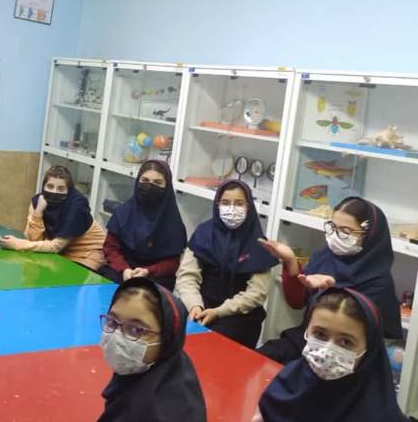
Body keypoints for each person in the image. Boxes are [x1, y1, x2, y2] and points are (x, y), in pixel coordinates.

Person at [257, 197, 402, 363]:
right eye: (332, 227)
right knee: (261, 357)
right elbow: (297, 302)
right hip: (310, 337)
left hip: (344, 353)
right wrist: (291, 262)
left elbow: (352, 333)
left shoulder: (378, 282)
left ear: (370, 236)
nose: (335, 236)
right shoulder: (326, 258)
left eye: (345, 231)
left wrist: (331, 293)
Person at [253, 287, 408, 422]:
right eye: (320, 335)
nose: (328, 350)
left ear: (369, 349)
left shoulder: (382, 416)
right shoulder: (286, 385)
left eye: (346, 342)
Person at [175, 180, 276, 348]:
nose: (232, 209)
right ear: (217, 205)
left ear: (249, 207)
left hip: (239, 315)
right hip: (200, 305)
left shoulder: (259, 244)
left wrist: (218, 312)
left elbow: (256, 293)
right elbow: (187, 277)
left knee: (211, 345)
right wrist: (194, 305)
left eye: (239, 203)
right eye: (226, 203)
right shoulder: (203, 233)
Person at [98, 277, 207, 422]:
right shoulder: (176, 366)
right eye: (112, 321)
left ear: (166, 338)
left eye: (137, 330)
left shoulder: (151, 413)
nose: (116, 337)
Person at [0, 165, 106, 271]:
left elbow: (56, 247)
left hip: (87, 254)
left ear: (69, 190)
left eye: (61, 189)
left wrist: (18, 244)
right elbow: (34, 239)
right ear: (43, 186)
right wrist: (38, 212)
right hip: (62, 253)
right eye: (50, 186)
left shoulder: (77, 206)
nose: (54, 192)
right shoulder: (38, 201)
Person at [103, 160, 187, 288]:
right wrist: (124, 269)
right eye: (145, 180)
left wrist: (147, 271)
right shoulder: (123, 212)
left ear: (167, 187)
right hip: (122, 270)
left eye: (157, 183)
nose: (150, 186)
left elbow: (172, 263)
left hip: (155, 276)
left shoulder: (173, 222)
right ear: (138, 181)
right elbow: (110, 247)